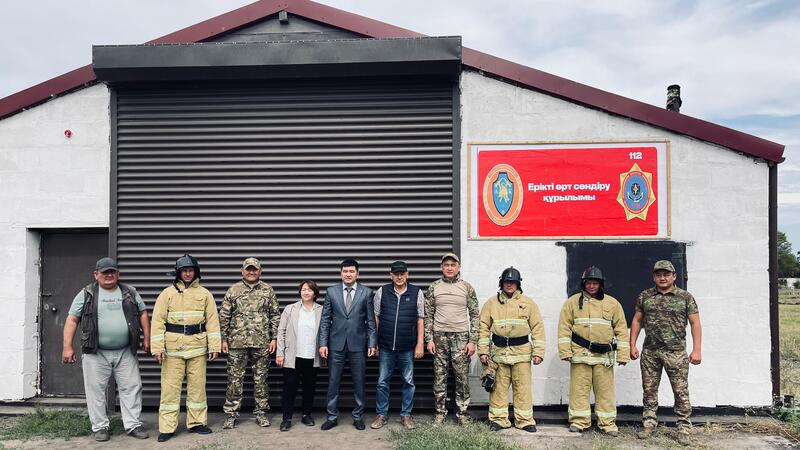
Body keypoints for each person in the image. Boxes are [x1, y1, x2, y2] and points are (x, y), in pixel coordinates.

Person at [62, 257, 150, 442]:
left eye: (112, 272)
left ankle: (133, 425)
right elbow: (72, 319)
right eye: (104, 272)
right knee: (95, 391)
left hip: (126, 350)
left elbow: (143, 313)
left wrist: (147, 338)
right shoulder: (86, 293)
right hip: (96, 352)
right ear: (96, 275)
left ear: (118, 274)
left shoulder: (129, 291)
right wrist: (67, 347)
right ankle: (100, 427)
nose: (109, 275)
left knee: (132, 387)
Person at [630, 260, 702, 446]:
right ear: (654, 277)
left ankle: (683, 428)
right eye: (658, 275)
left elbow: (695, 322)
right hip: (650, 352)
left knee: (680, 391)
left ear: (674, 276)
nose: (662, 278)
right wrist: (632, 345)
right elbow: (637, 320)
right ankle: (649, 423)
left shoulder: (685, 297)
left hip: (675, 352)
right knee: (649, 390)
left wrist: (696, 350)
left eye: (666, 274)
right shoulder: (645, 296)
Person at [150, 254, 221, 442]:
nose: (188, 274)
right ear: (178, 273)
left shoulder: (205, 294)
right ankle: (167, 427)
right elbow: (157, 322)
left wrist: (214, 346)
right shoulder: (167, 294)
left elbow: (212, 322)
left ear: (196, 272)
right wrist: (158, 348)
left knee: (197, 388)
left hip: (197, 348)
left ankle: (197, 423)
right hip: (173, 350)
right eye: (184, 271)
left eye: (190, 270)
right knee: (170, 390)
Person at [557, 266, 629, 436]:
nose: (591, 286)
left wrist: (623, 354)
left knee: (605, 392)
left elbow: (621, 330)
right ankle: (579, 421)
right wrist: (565, 351)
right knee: (579, 390)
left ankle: (607, 423)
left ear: (600, 284)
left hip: (603, 357)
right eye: (588, 283)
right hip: (580, 354)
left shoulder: (612, 304)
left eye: (595, 283)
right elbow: (564, 328)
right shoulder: (572, 303)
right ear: (583, 284)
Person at [477, 267, 545, 433]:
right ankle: (498, 420)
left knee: (523, 389)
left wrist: (538, 352)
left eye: (513, 282)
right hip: (499, 354)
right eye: (507, 282)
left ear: (518, 284)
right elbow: (483, 327)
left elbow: (538, 328)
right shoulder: (491, 303)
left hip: (521, 354)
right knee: (498, 389)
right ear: (501, 283)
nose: (509, 285)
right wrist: (483, 351)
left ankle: (524, 420)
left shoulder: (528, 303)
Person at [219, 257, 280, 429]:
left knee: (261, 380)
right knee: (234, 380)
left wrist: (274, 338)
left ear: (260, 271)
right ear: (242, 271)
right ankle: (231, 415)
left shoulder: (268, 290)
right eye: (248, 269)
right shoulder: (233, 290)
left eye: (254, 269)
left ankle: (261, 413)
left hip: (261, 343)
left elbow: (275, 315)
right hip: (236, 343)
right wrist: (223, 338)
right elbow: (224, 315)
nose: (251, 272)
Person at [318, 258, 377, 431]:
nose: (348, 274)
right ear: (340, 273)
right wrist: (323, 343)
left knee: (359, 381)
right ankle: (332, 417)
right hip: (335, 344)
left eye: (351, 271)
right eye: (345, 271)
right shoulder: (331, 292)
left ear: (357, 273)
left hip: (358, 344)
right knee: (333, 381)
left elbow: (371, 320)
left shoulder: (367, 292)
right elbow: (325, 319)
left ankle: (358, 416)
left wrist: (372, 343)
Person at [424, 253, 479, 425]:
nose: (449, 268)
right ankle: (440, 413)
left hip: (461, 337)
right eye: (446, 265)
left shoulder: (467, 288)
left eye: (452, 265)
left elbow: (475, 315)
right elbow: (428, 315)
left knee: (462, 377)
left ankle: (462, 414)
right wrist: (429, 339)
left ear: (458, 267)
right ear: (442, 267)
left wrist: (473, 340)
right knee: (439, 376)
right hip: (439, 337)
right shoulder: (434, 287)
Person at [370, 261, 425, 430]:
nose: (399, 277)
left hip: (407, 347)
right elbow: (376, 318)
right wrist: (374, 343)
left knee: (408, 382)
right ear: (391, 276)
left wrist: (420, 344)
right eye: (396, 274)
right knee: (382, 382)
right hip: (385, 347)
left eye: (402, 274)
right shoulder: (382, 291)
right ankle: (381, 414)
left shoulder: (417, 292)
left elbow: (420, 319)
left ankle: (406, 415)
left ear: (407, 275)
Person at [276, 280, 323, 432]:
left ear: (315, 293)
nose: (306, 292)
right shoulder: (290, 309)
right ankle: (286, 419)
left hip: (312, 355)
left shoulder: (321, 310)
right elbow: (281, 331)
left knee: (309, 387)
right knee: (289, 388)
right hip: (292, 355)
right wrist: (280, 353)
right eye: (303, 289)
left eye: (309, 290)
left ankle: (306, 415)